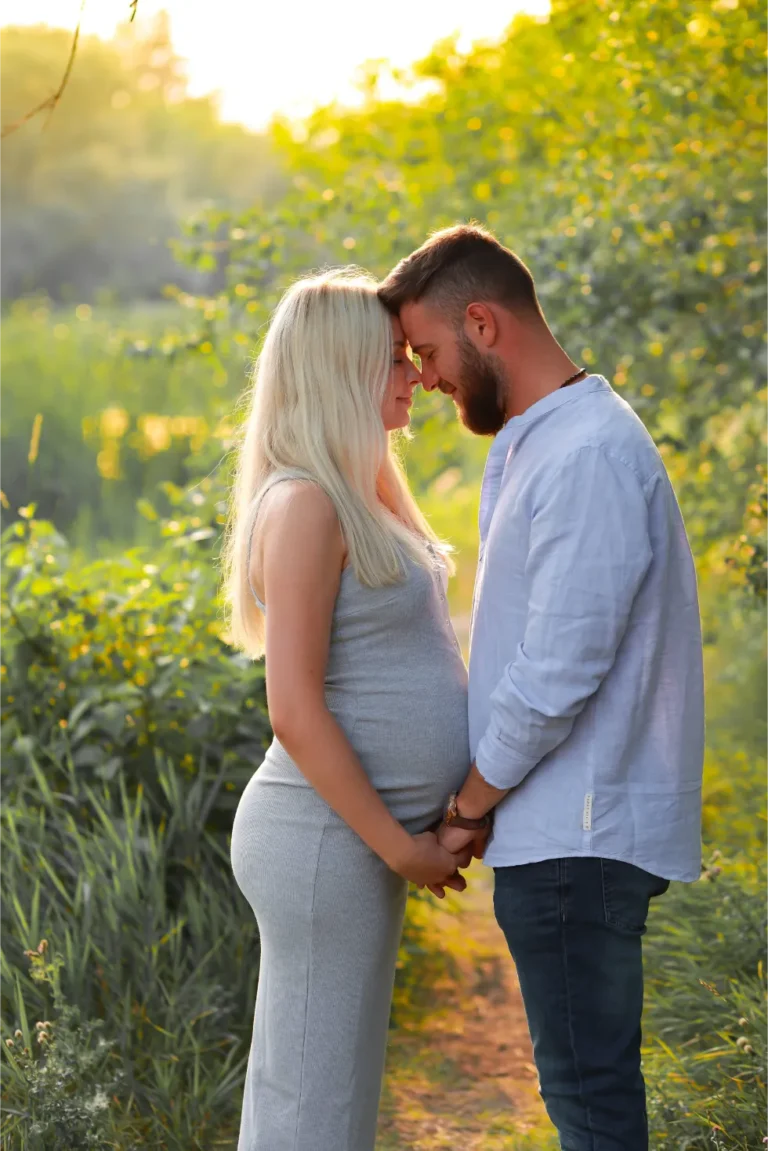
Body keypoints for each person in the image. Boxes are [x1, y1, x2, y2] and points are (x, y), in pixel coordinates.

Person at [378, 224, 705, 1151]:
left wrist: (473, 803)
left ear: (483, 321)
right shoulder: (543, 440)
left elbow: (560, 667)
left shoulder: (588, 452)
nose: (427, 378)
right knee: (584, 1092)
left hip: (580, 835)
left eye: (430, 352)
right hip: (562, 830)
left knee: (590, 1101)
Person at [224, 268, 481, 1151]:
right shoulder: (303, 505)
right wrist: (401, 843)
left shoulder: (359, 492)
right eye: (392, 361)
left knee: (324, 1094)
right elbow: (294, 710)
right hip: (322, 842)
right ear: (339, 370)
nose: (414, 376)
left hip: (351, 842)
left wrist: (447, 817)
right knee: (312, 1104)